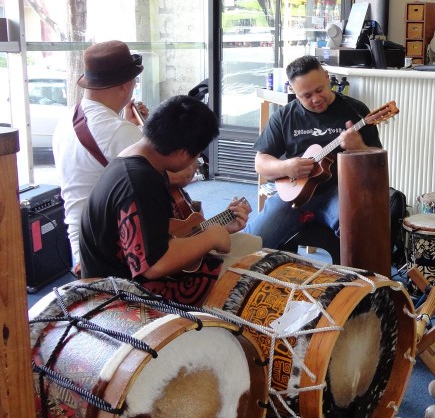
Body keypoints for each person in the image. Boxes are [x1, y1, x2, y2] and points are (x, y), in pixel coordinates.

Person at [79, 95, 251, 306]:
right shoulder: (139, 182)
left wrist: (218, 227)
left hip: (131, 276)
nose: (195, 163)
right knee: (246, 278)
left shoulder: (139, 161)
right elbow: (153, 265)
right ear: (181, 153)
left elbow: (161, 234)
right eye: (196, 155)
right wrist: (211, 238)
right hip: (120, 295)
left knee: (250, 245)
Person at [246, 55, 382, 249]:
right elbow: (260, 163)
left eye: (319, 90)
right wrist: (286, 166)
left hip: (341, 191)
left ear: (327, 77)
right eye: (306, 96)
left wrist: (359, 148)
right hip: (295, 195)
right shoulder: (284, 116)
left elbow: (378, 162)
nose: (316, 99)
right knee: (254, 241)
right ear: (294, 91)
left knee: (360, 233)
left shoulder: (356, 111)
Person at [52, 40, 148, 269]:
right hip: (110, 251)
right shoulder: (119, 132)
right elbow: (169, 176)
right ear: (126, 84)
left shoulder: (65, 120)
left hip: (80, 244)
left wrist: (129, 127)